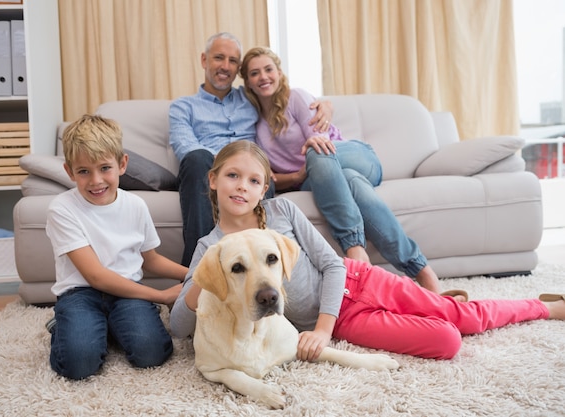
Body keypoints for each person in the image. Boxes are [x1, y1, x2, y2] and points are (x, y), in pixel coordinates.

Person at [169, 141, 565, 360]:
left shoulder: (281, 211)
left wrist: (321, 329)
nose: (241, 186)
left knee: (462, 316)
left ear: (264, 188)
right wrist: (205, 279)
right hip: (348, 322)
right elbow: (180, 328)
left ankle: (543, 307)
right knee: (448, 340)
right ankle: (431, 307)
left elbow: (331, 265)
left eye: (253, 180)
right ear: (213, 179)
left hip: (357, 283)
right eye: (232, 176)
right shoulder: (211, 250)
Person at [238, 46, 462, 299]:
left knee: (318, 153)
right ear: (248, 82)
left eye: (268, 69)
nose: (263, 77)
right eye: (255, 73)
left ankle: (354, 248)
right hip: (321, 178)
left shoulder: (296, 98)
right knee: (352, 183)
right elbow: (268, 174)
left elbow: (319, 141)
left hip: (353, 156)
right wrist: (297, 177)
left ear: (279, 72)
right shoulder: (254, 123)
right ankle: (423, 272)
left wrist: (308, 161)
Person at [169, 32, 333, 267]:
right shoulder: (183, 107)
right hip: (207, 170)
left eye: (233, 61)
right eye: (219, 58)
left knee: (260, 174)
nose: (225, 66)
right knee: (196, 158)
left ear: (238, 69)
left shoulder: (251, 98)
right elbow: (185, 147)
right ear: (204, 60)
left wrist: (326, 105)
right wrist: (229, 166)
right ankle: (198, 267)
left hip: (251, 171)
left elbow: (285, 98)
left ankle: (261, 266)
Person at [46, 114, 188, 380]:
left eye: (104, 168)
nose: (96, 181)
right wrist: (162, 296)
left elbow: (152, 260)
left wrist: (194, 274)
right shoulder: (62, 209)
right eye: (84, 171)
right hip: (80, 294)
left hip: (127, 293)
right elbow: (95, 276)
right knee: (79, 364)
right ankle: (63, 326)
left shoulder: (135, 205)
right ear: (69, 172)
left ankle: (109, 326)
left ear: (122, 164)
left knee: (152, 354)